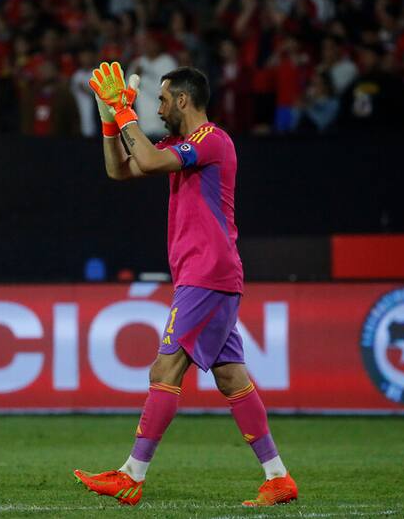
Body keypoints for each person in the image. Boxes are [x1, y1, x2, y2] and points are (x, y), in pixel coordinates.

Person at [74, 63, 297, 507]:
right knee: (232, 378)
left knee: (165, 370)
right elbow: (120, 171)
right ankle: (278, 478)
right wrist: (108, 118)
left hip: (207, 273)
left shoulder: (210, 140)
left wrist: (125, 112)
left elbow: (150, 159)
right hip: (207, 275)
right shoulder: (181, 144)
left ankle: (131, 476)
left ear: (182, 100)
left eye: (160, 99)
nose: (155, 106)